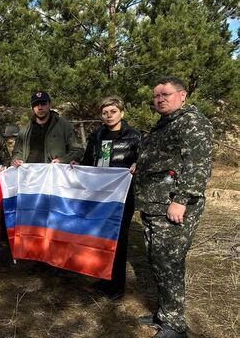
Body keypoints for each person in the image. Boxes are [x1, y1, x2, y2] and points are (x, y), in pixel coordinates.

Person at [135, 76, 213, 338]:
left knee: (169, 262)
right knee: (157, 261)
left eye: (165, 94)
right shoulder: (165, 124)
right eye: (156, 96)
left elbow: (198, 166)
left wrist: (181, 200)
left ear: (182, 95)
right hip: (154, 205)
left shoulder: (192, 122)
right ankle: (164, 313)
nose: (160, 99)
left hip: (173, 206)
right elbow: (163, 160)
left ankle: (175, 326)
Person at [70, 96, 141, 300]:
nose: (109, 116)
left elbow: (144, 160)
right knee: (100, 238)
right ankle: (103, 278)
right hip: (99, 196)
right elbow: (88, 162)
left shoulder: (134, 136)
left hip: (121, 196)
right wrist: (77, 164)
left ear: (122, 113)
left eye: (113, 111)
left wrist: (138, 165)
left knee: (118, 240)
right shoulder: (97, 136)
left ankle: (116, 287)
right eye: (105, 112)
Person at [11, 91, 83, 166]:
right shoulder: (25, 130)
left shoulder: (64, 125)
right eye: (36, 105)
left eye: (43, 104)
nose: (40, 108)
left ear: (49, 105)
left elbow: (77, 150)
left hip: (55, 173)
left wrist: (62, 160)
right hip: (30, 174)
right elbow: (17, 152)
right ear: (32, 107)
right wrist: (16, 160)